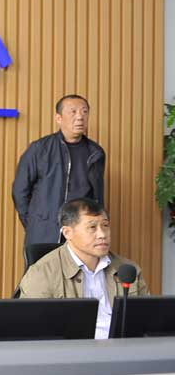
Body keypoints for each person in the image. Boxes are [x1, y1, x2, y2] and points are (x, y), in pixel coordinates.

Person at [19, 198, 148, 339]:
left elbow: (147, 320)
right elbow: (33, 330)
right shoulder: (42, 273)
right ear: (67, 233)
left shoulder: (127, 269)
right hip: (73, 349)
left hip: (124, 346)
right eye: (92, 227)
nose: (102, 234)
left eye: (105, 225)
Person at [13, 95, 106, 247]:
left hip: (81, 231)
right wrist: (33, 222)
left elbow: (97, 197)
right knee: (44, 263)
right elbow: (20, 191)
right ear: (59, 118)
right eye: (73, 112)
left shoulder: (95, 153)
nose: (80, 117)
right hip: (44, 232)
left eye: (84, 112)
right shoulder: (39, 149)